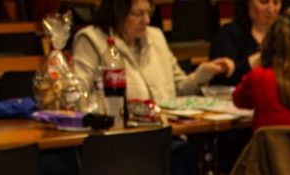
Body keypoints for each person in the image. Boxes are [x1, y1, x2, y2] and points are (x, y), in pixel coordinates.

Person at [73, 0, 234, 103]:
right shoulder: (92, 40)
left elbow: (180, 90)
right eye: (137, 14)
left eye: (148, 12)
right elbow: (79, 97)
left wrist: (203, 73)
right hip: (120, 135)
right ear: (116, 13)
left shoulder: (155, 37)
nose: (147, 21)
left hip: (168, 132)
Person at [209, 0, 281, 88]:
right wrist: (254, 61)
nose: (271, 10)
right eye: (264, 2)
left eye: (276, 3)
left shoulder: (285, 35)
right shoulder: (228, 34)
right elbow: (221, 79)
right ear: (248, 3)